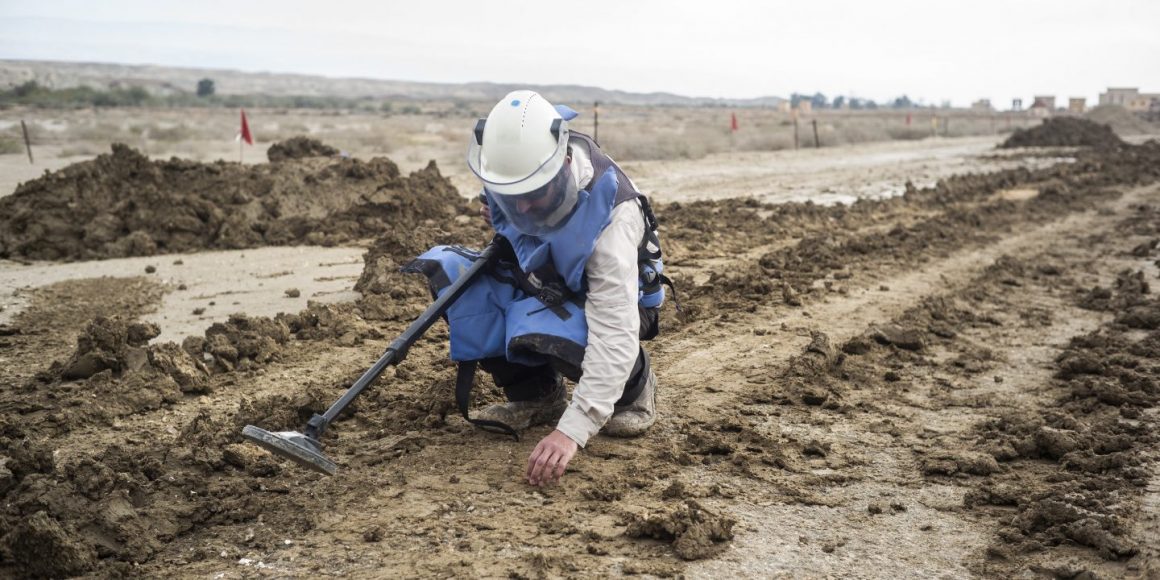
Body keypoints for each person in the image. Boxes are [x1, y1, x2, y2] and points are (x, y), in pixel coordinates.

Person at [404, 90, 668, 487]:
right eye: (512, 198)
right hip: (550, 277)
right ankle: (536, 394)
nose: (522, 207)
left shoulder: (612, 223)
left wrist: (572, 431)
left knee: (543, 329)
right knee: (459, 278)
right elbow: (513, 212)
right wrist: (499, 210)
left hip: (619, 306)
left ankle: (635, 387)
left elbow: (615, 332)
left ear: (562, 163)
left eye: (533, 195)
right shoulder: (514, 170)